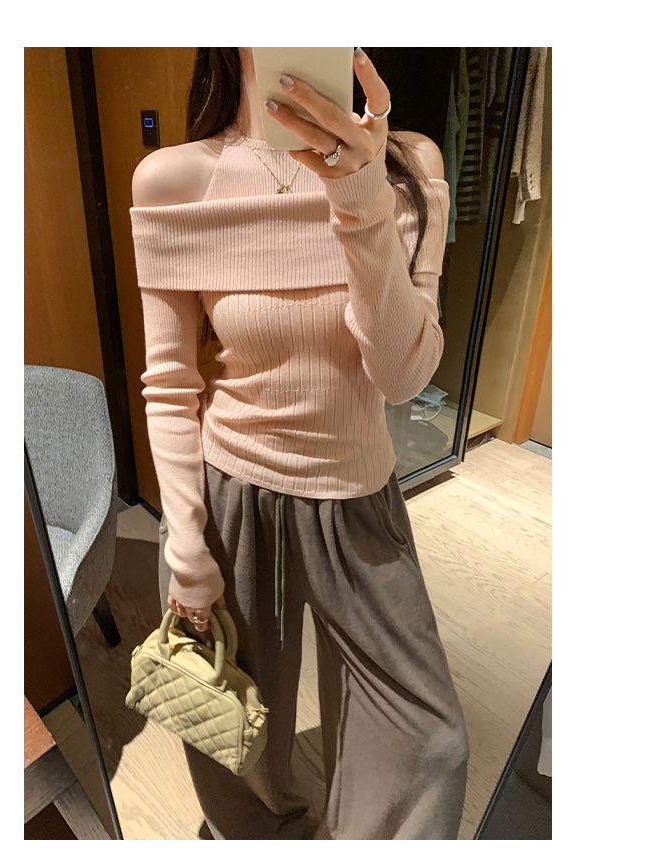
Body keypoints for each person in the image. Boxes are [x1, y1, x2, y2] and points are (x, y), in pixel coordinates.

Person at [130, 46, 470, 840]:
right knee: (232, 741)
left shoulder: (409, 165)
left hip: (360, 499)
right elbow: (172, 385)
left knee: (429, 742)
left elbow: (403, 377)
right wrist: (186, 547)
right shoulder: (176, 179)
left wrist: (360, 194)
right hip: (232, 499)